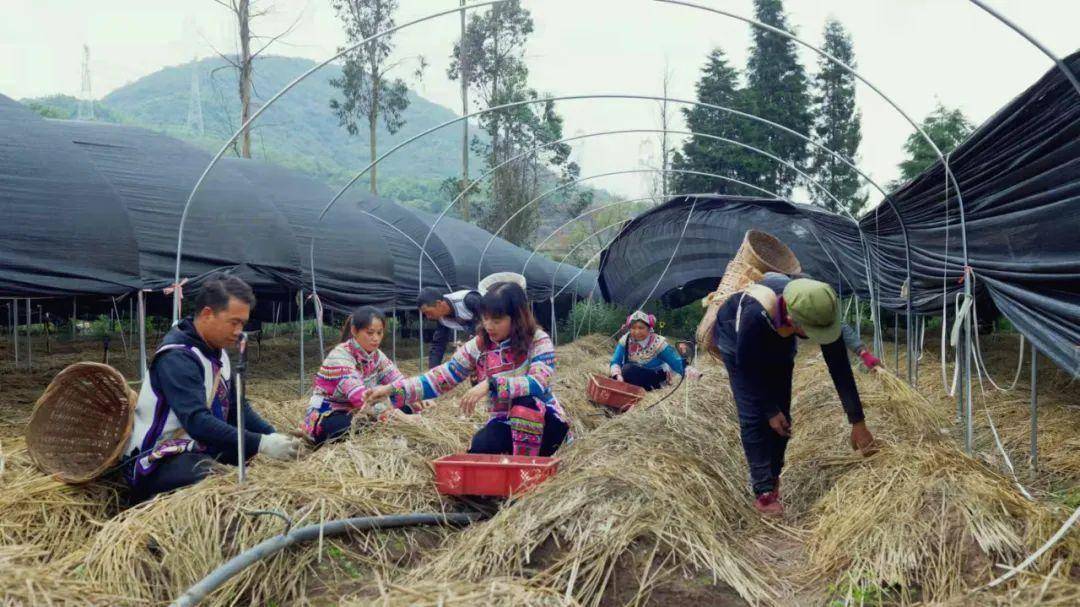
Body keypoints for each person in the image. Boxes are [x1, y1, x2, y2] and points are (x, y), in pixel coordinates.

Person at [123, 274, 301, 503]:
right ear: (207, 314)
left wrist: (273, 435)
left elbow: (238, 408)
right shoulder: (178, 357)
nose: (239, 331)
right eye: (234, 322)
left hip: (198, 446)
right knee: (213, 481)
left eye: (243, 324)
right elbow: (197, 422)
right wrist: (262, 443)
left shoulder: (217, 352)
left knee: (244, 453)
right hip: (159, 457)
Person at [712, 275, 878, 517]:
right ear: (792, 319)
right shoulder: (755, 315)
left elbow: (840, 368)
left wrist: (858, 422)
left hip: (779, 343)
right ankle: (764, 492)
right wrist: (769, 410)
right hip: (737, 342)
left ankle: (773, 476)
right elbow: (748, 366)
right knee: (754, 415)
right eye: (811, 332)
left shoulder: (816, 307)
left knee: (783, 419)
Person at [389, 281, 570, 457]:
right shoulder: (480, 345)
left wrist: (491, 384)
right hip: (505, 421)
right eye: (485, 318)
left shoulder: (538, 340)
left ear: (516, 318)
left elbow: (538, 383)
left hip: (546, 422)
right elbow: (441, 377)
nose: (488, 325)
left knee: (525, 404)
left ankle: (526, 467)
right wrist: (392, 390)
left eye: (497, 320)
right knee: (480, 448)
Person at [300, 306, 418, 445]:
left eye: (379, 333)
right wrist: (397, 415)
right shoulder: (340, 357)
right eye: (370, 333)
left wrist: (414, 396)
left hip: (361, 411)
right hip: (332, 413)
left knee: (407, 405)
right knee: (348, 427)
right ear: (354, 331)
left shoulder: (377, 356)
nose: (376, 338)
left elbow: (398, 381)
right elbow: (360, 398)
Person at [610, 311, 695, 391]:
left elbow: (675, 362)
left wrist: (688, 370)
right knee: (615, 376)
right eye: (633, 328)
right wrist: (618, 375)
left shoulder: (658, 343)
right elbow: (615, 361)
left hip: (654, 375)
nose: (637, 332)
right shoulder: (626, 340)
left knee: (627, 370)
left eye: (641, 328)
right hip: (632, 372)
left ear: (649, 328)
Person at [418, 286, 482, 370]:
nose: (428, 317)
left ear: (438, 303)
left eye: (428, 312)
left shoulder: (469, 300)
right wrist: (433, 372)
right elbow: (438, 344)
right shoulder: (441, 318)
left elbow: (490, 322)